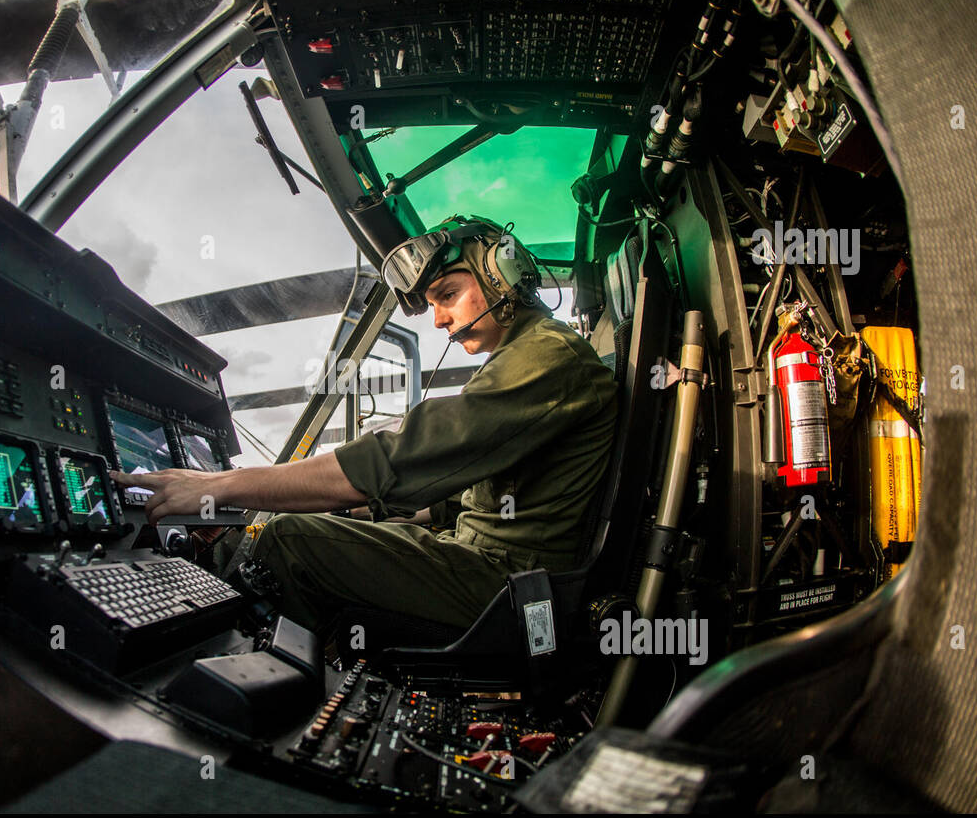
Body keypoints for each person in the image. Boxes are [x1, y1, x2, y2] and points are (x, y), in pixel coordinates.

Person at [110, 215, 617, 632]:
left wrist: (219, 486)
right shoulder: (532, 354)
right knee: (320, 527)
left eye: (447, 294)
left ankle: (282, 700)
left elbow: (396, 460)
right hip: (502, 570)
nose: (438, 319)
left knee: (287, 540)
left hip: (515, 590)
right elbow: (464, 492)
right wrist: (357, 516)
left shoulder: (546, 357)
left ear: (501, 271)